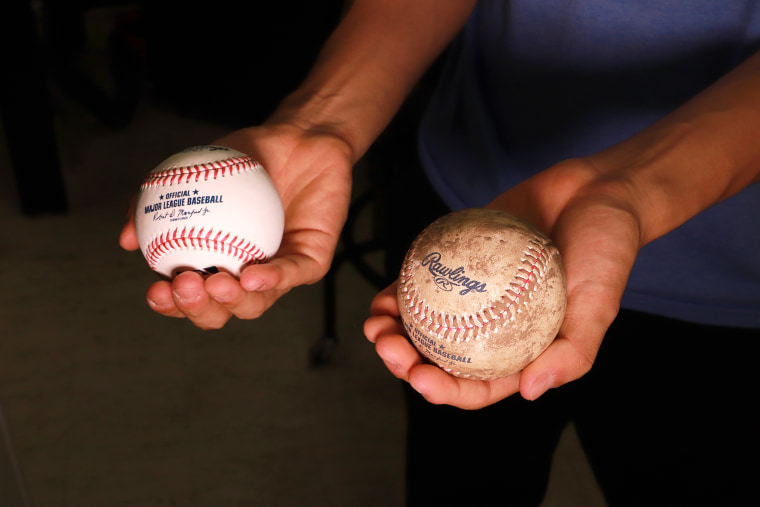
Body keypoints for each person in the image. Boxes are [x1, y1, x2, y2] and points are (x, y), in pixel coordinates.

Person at [121, 1, 760, 505]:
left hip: (730, 283)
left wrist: (633, 189)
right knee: (461, 480)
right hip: (462, 220)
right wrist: (324, 122)